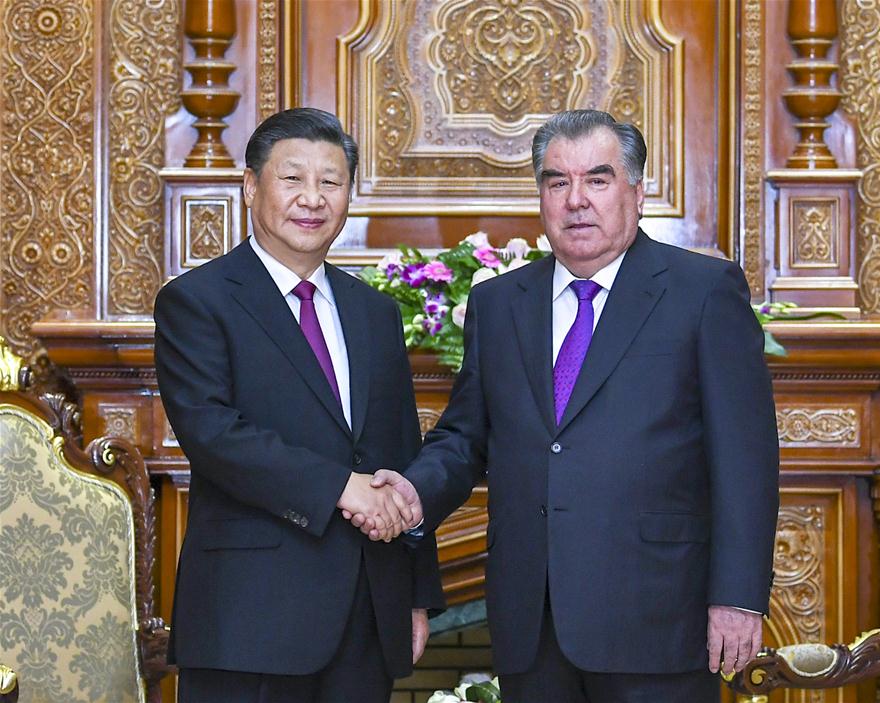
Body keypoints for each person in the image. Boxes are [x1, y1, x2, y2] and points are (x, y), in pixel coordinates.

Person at [356, 110, 780, 703]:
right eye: (558, 182)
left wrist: (736, 596)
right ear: (541, 196)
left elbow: (746, 459)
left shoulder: (703, 291)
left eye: (598, 180)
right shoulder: (499, 303)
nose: (576, 200)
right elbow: (463, 437)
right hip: (533, 621)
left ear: (635, 188)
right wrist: (409, 494)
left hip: (660, 617)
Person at [154, 107, 444, 703]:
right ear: (251, 186)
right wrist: (343, 486)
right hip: (248, 618)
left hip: (367, 614)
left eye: (330, 182)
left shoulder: (376, 313)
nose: (312, 198)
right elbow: (215, 436)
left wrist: (415, 594)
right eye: (292, 179)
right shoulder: (197, 302)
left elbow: (398, 455)